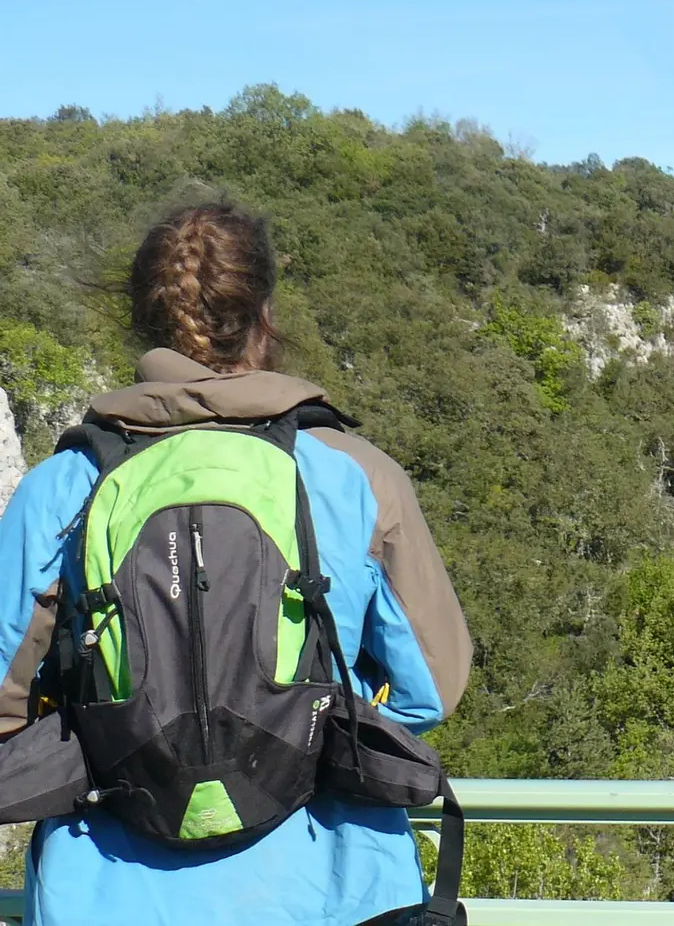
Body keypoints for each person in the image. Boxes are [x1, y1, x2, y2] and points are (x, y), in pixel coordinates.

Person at [0, 198, 472, 926]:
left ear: (139, 318)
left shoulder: (60, 489)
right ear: (264, 316)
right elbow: (429, 692)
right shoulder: (352, 475)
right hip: (334, 886)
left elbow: (5, 701)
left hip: (104, 891)